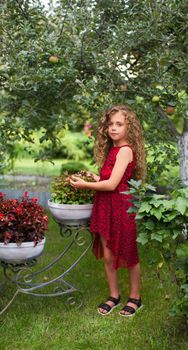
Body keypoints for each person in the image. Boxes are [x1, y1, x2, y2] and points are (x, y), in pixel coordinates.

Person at [69, 104, 146, 317]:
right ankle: (114, 295)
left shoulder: (125, 151)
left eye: (119, 124)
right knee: (109, 255)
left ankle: (135, 297)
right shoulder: (113, 150)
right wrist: (93, 178)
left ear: (129, 127)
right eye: (110, 124)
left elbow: (113, 185)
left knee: (128, 253)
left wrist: (85, 186)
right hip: (105, 206)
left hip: (120, 207)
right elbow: (109, 179)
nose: (113, 128)